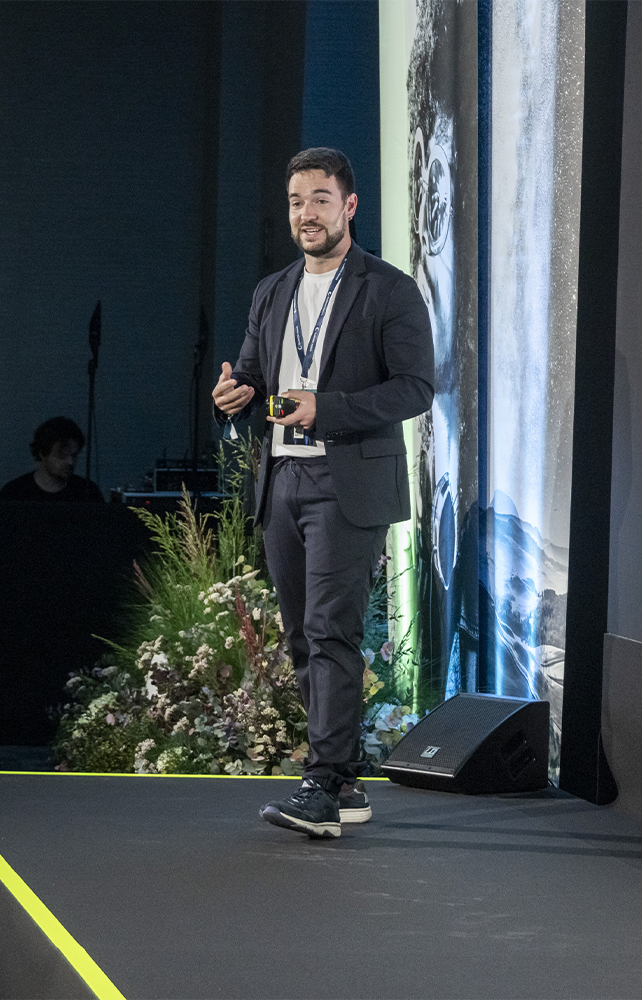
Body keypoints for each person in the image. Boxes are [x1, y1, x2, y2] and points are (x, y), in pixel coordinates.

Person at [212, 147, 434, 838]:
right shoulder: (272, 291)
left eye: (319, 199)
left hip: (348, 484)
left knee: (329, 631)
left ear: (350, 206)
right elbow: (250, 375)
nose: (305, 214)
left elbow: (416, 388)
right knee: (302, 641)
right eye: (295, 202)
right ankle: (344, 783)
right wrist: (232, 396)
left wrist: (325, 407)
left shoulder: (388, 290)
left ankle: (318, 784)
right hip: (281, 481)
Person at [0, 417, 104, 502]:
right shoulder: (14, 493)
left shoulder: (87, 492)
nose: (70, 462)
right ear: (42, 454)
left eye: (74, 455)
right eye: (62, 455)